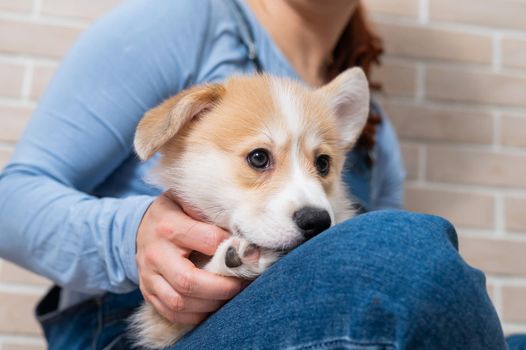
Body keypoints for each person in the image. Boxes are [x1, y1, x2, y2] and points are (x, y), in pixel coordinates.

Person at [0, 0, 509, 349]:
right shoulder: (186, 21)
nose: (309, 189)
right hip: (133, 327)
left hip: (311, 316)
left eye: (323, 163)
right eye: (259, 158)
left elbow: (397, 291)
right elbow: (10, 201)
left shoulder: (373, 128)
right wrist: (132, 236)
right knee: (407, 244)